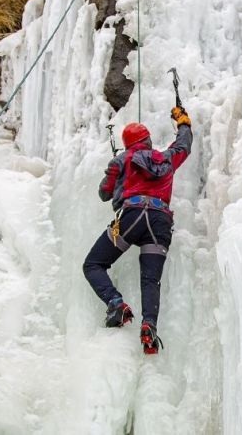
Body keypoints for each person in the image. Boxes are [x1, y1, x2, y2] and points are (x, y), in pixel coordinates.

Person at [82, 106, 192, 354]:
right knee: (150, 279)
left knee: (93, 264)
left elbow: (104, 192)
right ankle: (149, 328)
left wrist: (117, 171)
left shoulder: (122, 160)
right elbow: (184, 145)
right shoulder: (166, 158)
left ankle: (116, 303)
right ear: (148, 140)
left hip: (132, 217)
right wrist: (183, 122)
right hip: (160, 221)